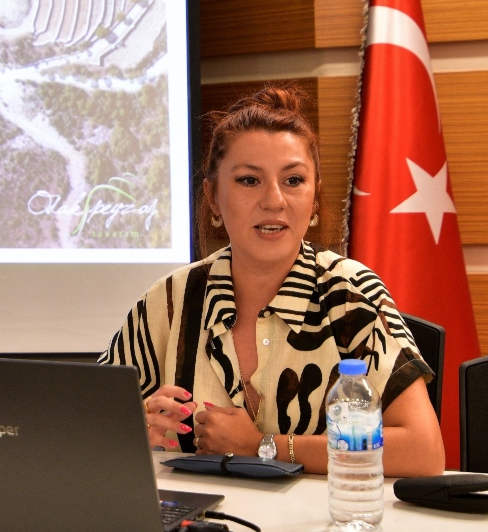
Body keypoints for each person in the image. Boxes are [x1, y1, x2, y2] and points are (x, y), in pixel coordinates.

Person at [100, 86, 445, 476]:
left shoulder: (350, 293)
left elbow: (423, 451)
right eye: (249, 180)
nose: (274, 200)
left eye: (293, 180)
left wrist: (263, 447)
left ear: (314, 199)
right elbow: (81, 430)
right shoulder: (169, 299)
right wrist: (132, 429)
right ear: (213, 198)